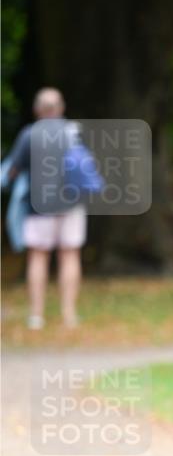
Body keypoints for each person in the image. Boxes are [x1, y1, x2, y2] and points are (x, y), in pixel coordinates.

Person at [2, 88, 86, 329]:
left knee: (38, 257)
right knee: (70, 255)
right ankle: (69, 314)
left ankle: (36, 316)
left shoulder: (29, 134)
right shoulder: (74, 132)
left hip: (39, 205)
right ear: (60, 108)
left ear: (37, 109)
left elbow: (12, 171)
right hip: (72, 203)